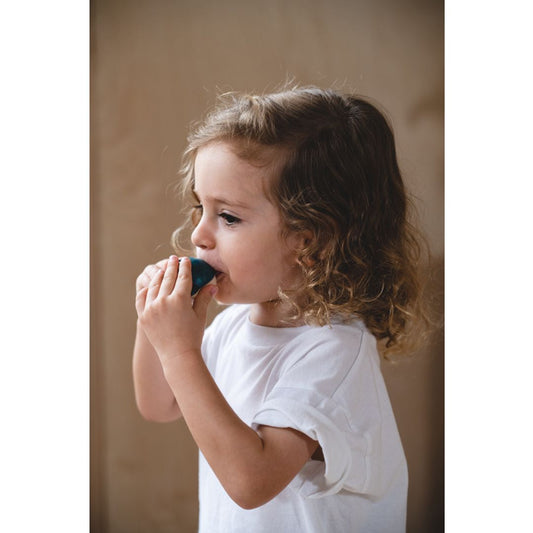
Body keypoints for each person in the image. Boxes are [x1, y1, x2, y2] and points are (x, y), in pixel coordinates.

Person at [133, 86, 428, 532]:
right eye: (200, 208)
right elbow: (159, 404)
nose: (198, 235)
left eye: (228, 217)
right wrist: (153, 323)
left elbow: (251, 481)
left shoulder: (333, 352)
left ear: (307, 241)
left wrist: (178, 351)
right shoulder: (233, 326)